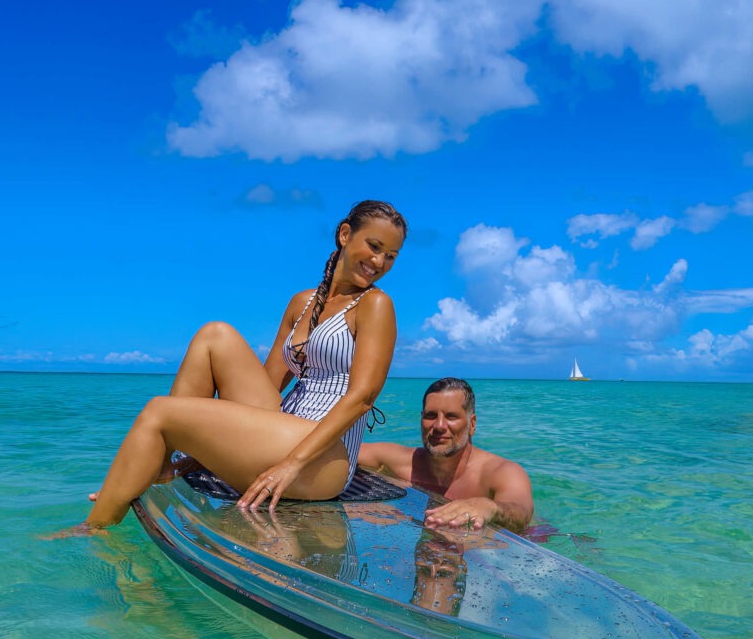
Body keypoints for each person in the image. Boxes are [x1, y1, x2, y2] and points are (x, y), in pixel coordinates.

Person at [70, 199, 405, 532]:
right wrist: (208, 452)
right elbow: (268, 385)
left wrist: (290, 464)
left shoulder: (376, 305)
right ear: (345, 234)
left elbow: (362, 398)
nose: (379, 262)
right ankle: (158, 466)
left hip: (325, 457)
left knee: (161, 411)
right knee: (214, 335)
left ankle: (94, 530)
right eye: (374, 246)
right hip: (284, 429)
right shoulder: (302, 303)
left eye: (390, 256)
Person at [359, 376, 535, 532]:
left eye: (451, 416)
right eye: (431, 416)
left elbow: (522, 513)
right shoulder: (403, 462)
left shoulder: (501, 472)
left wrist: (489, 507)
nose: (439, 426)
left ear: (472, 424)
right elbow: (344, 452)